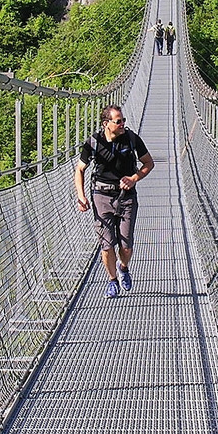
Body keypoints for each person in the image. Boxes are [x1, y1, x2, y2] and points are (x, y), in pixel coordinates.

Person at [75, 105, 154, 298]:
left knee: (126, 247)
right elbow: (80, 170)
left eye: (123, 120)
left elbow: (148, 163)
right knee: (107, 245)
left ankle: (123, 267)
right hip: (101, 197)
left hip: (126, 197)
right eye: (118, 121)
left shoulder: (132, 138)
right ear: (106, 124)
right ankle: (112, 281)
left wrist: (134, 178)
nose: (122, 124)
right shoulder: (93, 142)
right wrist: (81, 195)